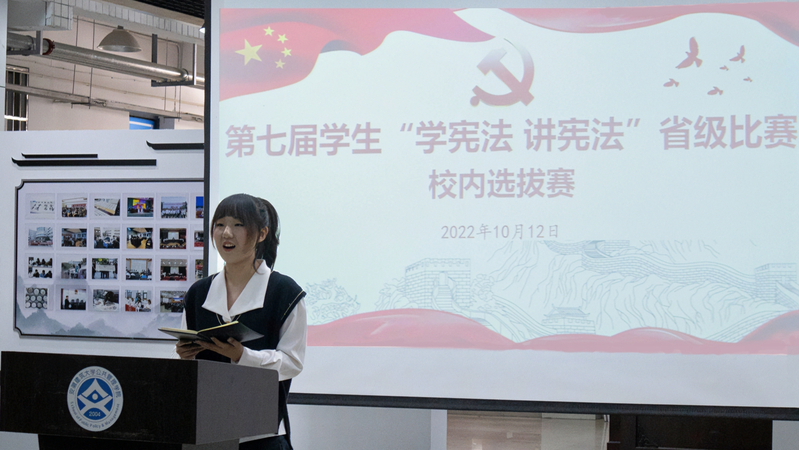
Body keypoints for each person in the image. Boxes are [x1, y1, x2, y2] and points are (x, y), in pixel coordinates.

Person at [176, 194, 306, 450]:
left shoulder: (285, 292)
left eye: (238, 225)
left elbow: (292, 362)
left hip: (260, 435)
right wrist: (184, 356)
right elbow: (183, 361)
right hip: (206, 432)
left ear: (262, 233)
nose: (226, 233)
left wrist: (243, 356)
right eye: (220, 224)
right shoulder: (198, 293)